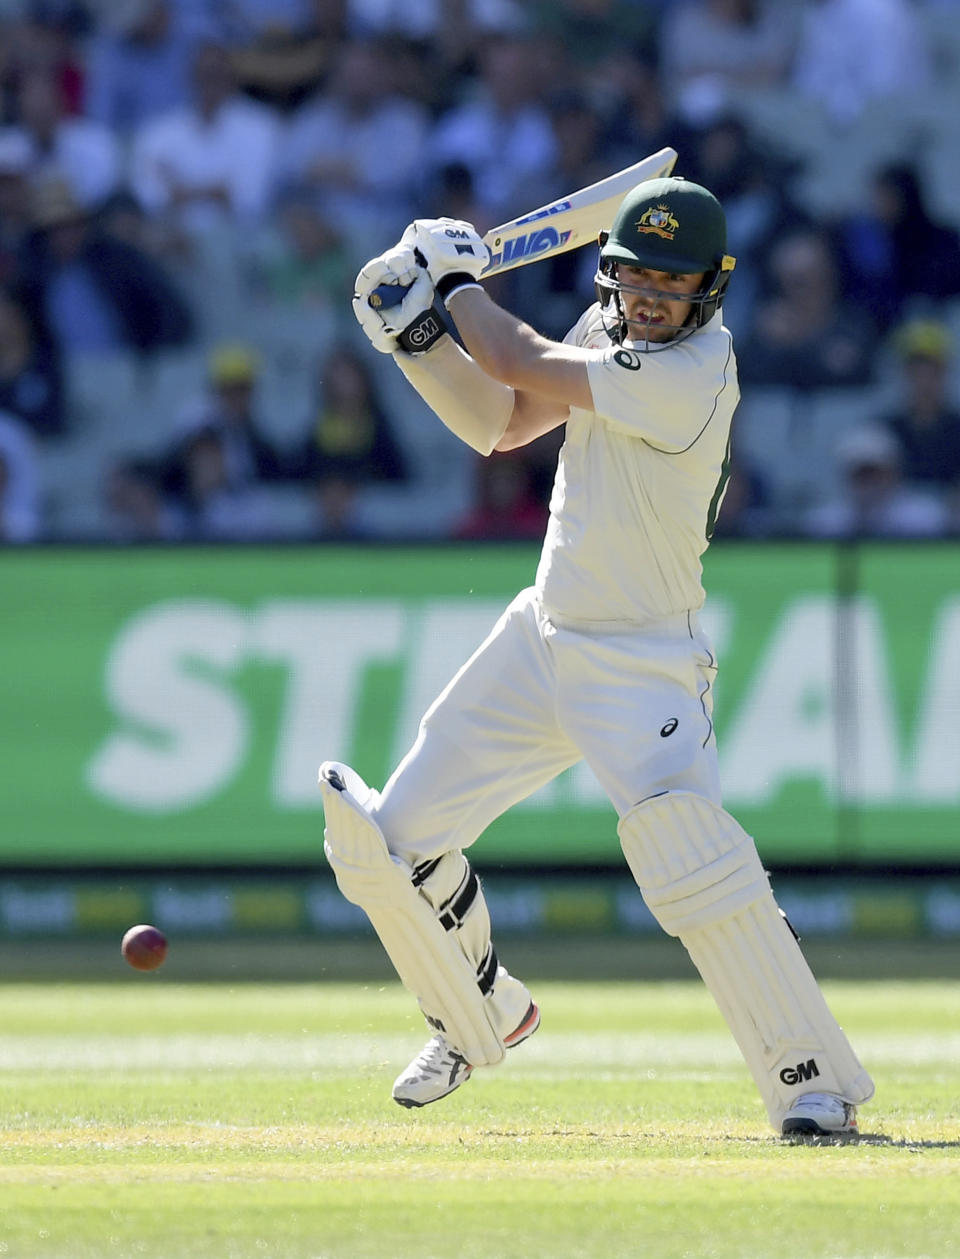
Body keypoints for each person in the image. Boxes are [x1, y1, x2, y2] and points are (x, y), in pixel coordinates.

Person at [319, 175, 875, 1140]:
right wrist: (414, 340)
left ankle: (812, 1085)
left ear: (711, 290)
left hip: (644, 662)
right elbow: (498, 421)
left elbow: (514, 352)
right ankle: (478, 1012)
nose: (653, 299)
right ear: (611, 274)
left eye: (675, 283)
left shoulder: (698, 369)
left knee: (691, 861)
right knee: (389, 842)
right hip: (544, 635)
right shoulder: (601, 331)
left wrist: (451, 282)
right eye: (637, 279)